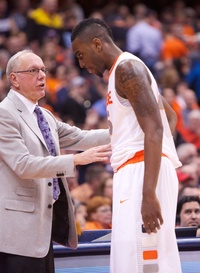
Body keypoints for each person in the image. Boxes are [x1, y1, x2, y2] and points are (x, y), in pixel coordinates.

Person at [0, 49, 111, 273]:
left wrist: (125, 131)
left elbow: (81, 137)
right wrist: (75, 160)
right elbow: (24, 165)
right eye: (33, 70)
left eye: (43, 70)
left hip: (40, 228)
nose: (42, 75)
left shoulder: (44, 115)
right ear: (14, 79)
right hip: (16, 231)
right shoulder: (2, 114)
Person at [71, 18, 182, 273]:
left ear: (97, 44)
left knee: (144, 262)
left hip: (141, 170)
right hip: (140, 168)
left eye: (81, 54)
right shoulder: (123, 72)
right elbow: (170, 118)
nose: (81, 64)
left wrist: (149, 191)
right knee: (137, 259)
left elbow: (155, 128)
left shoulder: (127, 69)